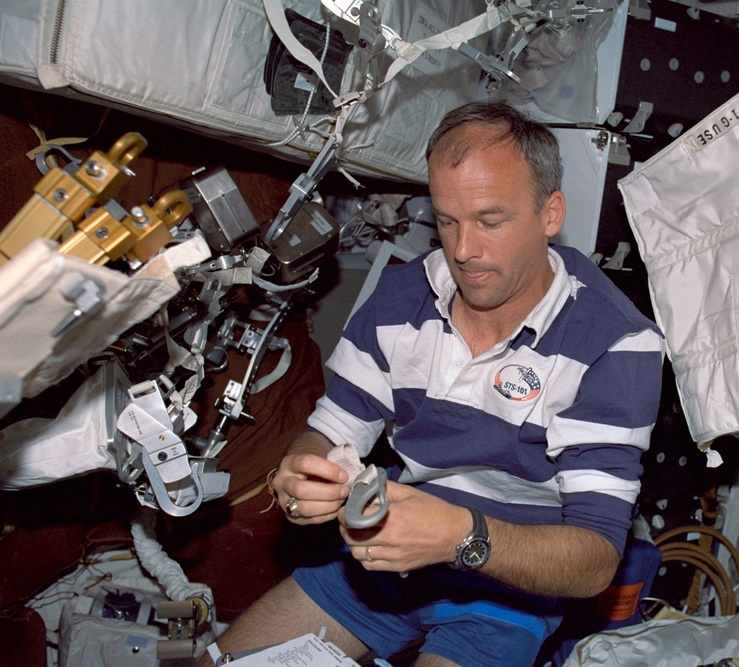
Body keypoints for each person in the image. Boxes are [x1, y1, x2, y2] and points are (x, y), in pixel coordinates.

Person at [200, 100, 664, 666]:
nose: (463, 251)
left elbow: (594, 562)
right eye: (447, 221)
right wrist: (304, 475)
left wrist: (459, 536)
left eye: (490, 221)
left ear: (550, 213)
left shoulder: (616, 342)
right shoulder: (401, 296)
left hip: (507, 596)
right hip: (377, 564)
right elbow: (330, 431)